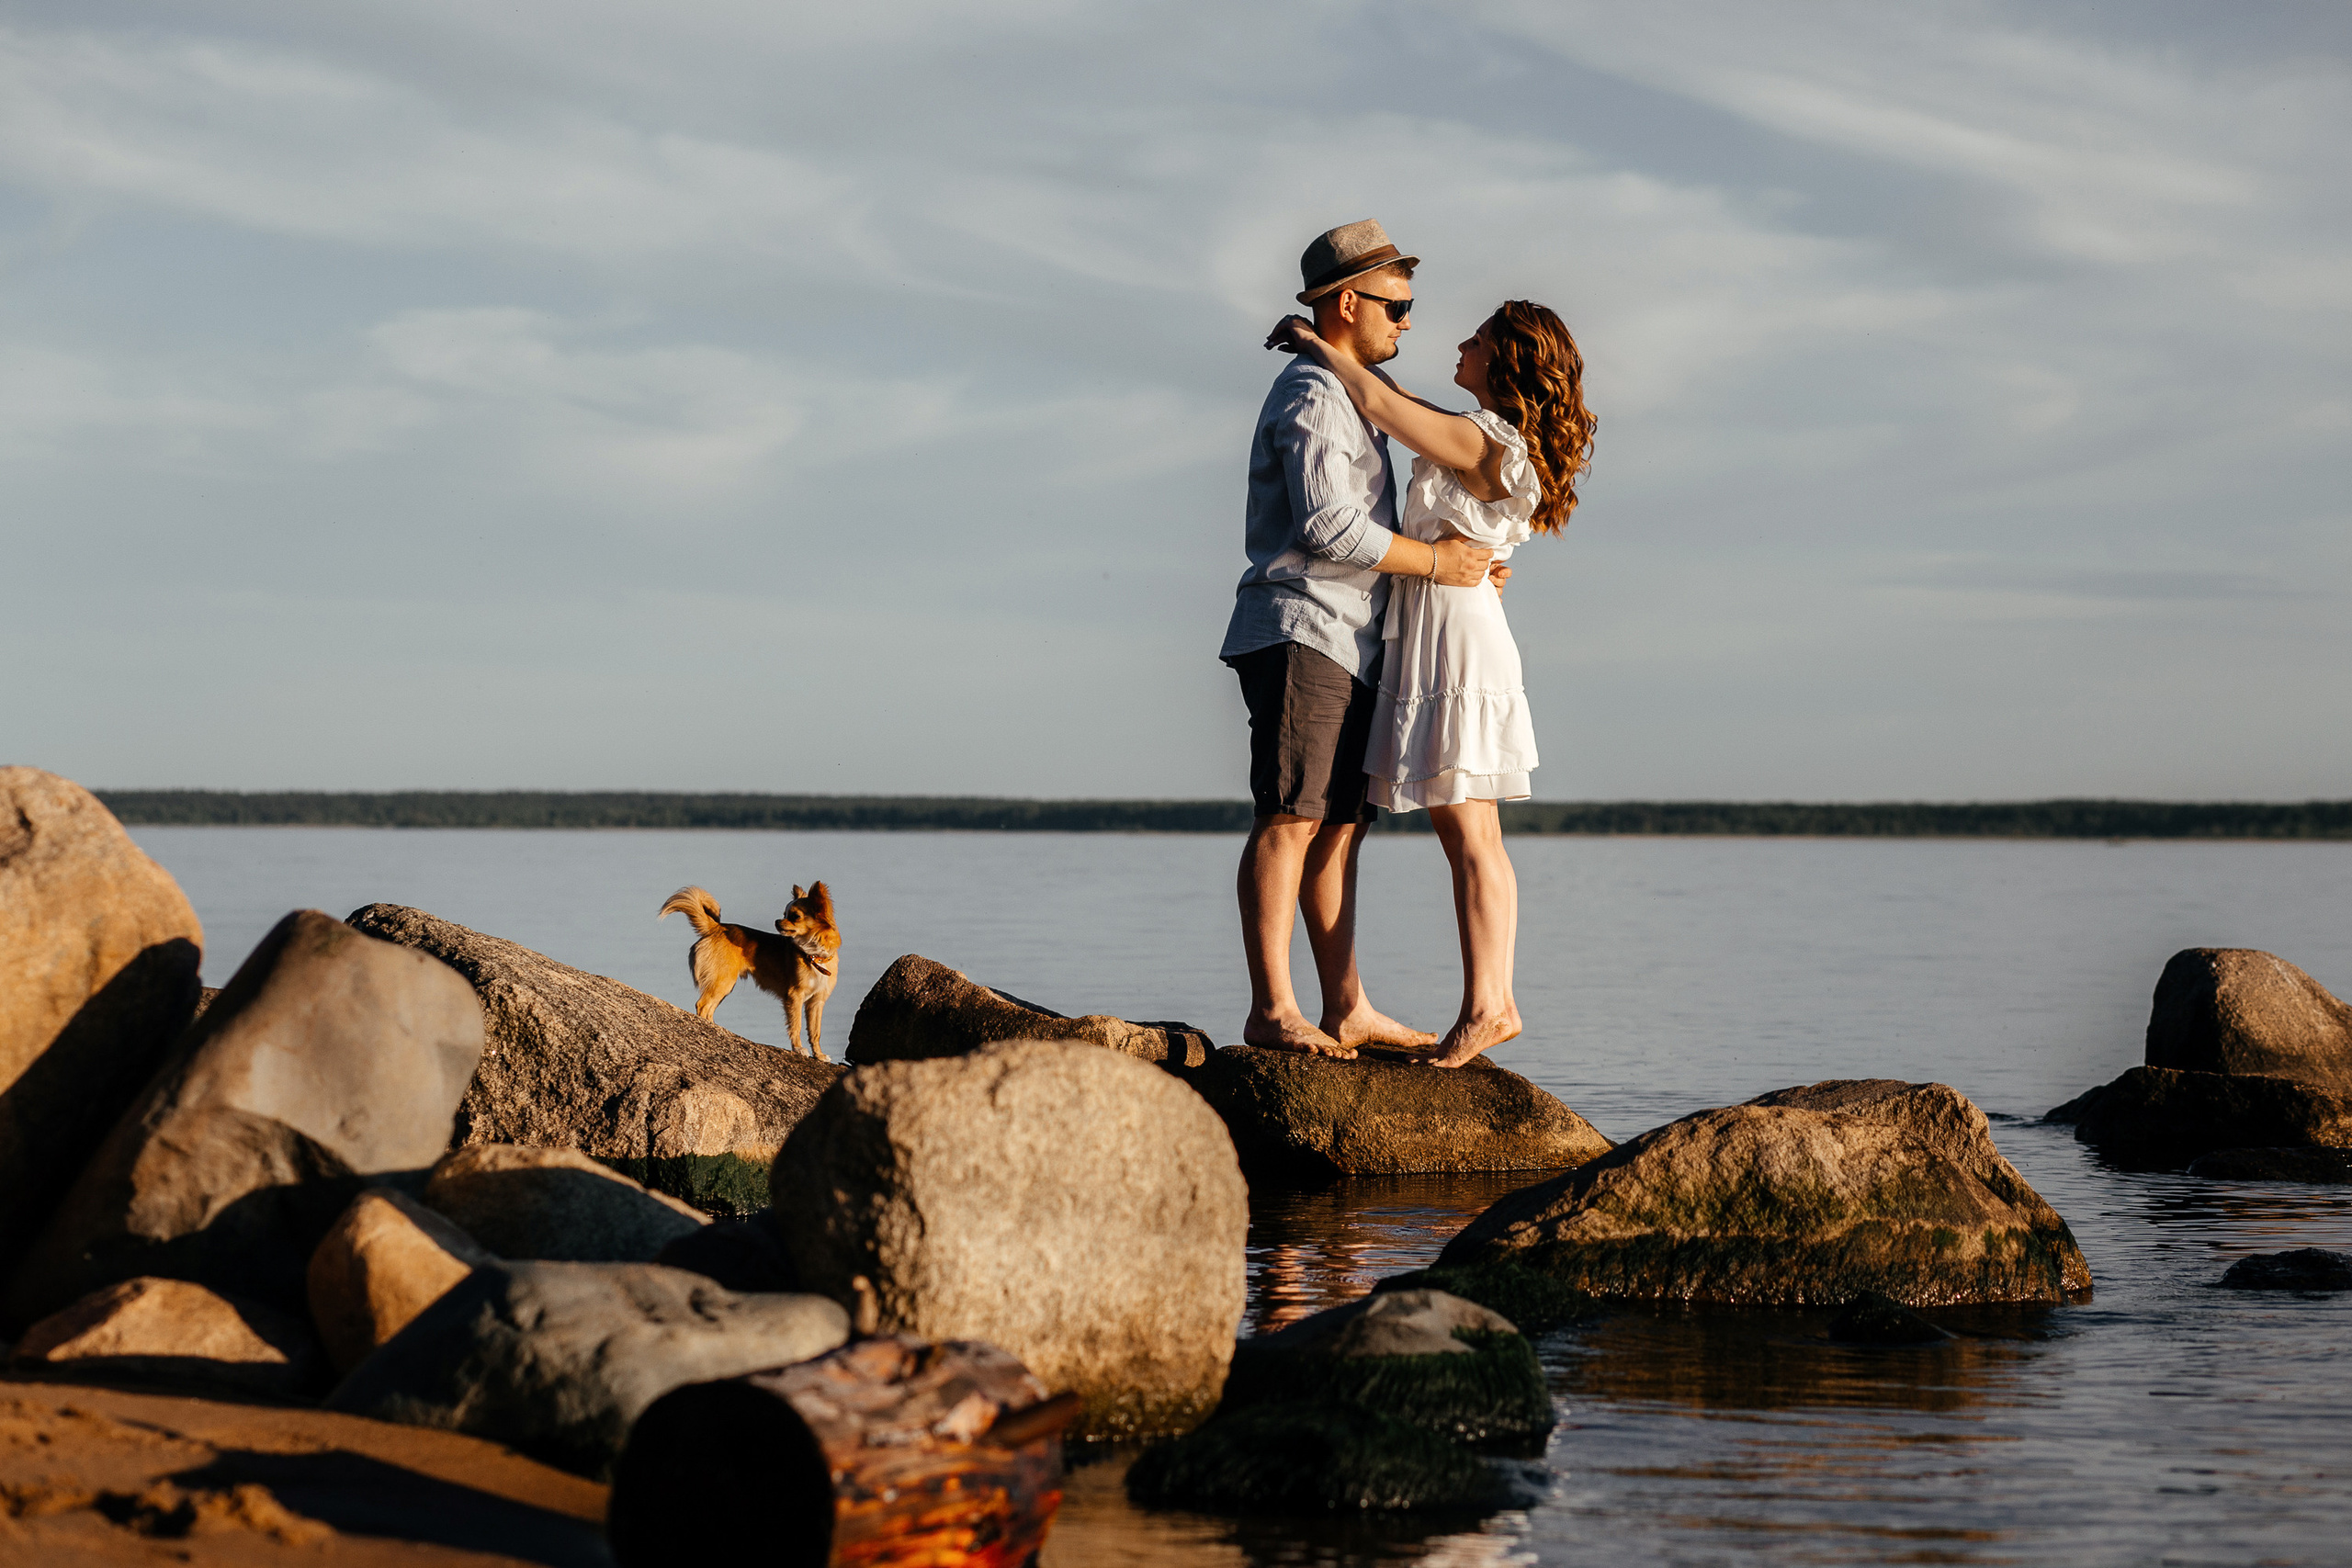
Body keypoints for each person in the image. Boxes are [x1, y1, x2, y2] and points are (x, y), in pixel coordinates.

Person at [1266, 298, 1595, 1067]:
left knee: (1470, 830)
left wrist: (1318, 342)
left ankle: (1491, 1005)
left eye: (1475, 340)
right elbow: (1402, 406)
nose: (1458, 343)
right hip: (1445, 625)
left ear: (1506, 361)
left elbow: (1380, 400)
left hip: (1457, 638)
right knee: (1465, 829)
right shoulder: (1478, 432)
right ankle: (1488, 1002)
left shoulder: (1486, 438)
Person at [1220, 220, 1502, 1060]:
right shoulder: (1311, 394)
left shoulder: (1348, 393)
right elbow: (1326, 523)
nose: (1407, 322)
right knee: (1289, 817)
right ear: (1349, 303)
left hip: (1348, 641)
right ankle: (1273, 1006)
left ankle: (1346, 1006)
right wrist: (1438, 563)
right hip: (1302, 629)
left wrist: (1461, 565)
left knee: (1338, 825)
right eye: (1397, 305)